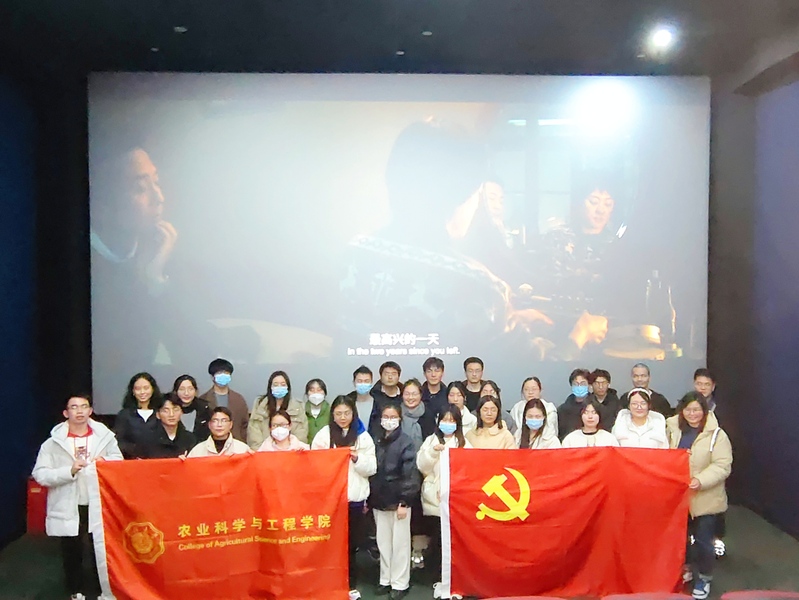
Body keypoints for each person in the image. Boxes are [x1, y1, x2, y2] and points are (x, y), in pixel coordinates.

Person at [32, 394, 123, 600]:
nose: (79, 411)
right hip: (68, 503)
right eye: (74, 407)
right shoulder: (53, 443)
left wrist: (104, 462)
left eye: (84, 406)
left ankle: (102, 590)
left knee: (100, 547)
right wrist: (69, 471)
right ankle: (75, 590)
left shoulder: (105, 437)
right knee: (71, 549)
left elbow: (119, 461)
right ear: (66, 413)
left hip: (98, 502)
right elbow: (40, 474)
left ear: (90, 411)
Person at [666, 392, 732, 600]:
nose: (692, 414)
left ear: (704, 410)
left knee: (704, 542)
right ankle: (685, 568)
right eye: (688, 409)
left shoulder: (717, 435)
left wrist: (700, 480)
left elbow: (722, 465)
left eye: (696, 409)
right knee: (680, 539)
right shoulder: (671, 429)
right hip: (679, 497)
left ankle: (704, 577)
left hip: (706, 499)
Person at [311, 396, 377, 600]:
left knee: (351, 544)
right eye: (338, 413)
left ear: (353, 413)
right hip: (331, 501)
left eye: (346, 413)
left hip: (354, 500)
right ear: (332, 415)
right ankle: (328, 582)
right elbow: (315, 465)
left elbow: (372, 467)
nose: (342, 417)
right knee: (329, 544)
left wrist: (357, 458)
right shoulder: (324, 435)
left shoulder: (363, 436)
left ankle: (350, 584)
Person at [417, 406, 471, 599]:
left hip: (455, 500)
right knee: (436, 540)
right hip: (434, 499)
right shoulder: (431, 440)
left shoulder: (464, 443)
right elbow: (421, 466)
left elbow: (468, 472)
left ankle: (455, 579)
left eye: (452, 420)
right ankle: (437, 578)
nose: (448, 424)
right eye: (444, 420)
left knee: (455, 542)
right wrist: (433, 452)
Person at [369, 404, 421, 600]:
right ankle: (386, 579)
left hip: (399, 502)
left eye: (393, 417)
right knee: (383, 543)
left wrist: (404, 502)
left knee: (400, 545)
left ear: (400, 419)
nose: (388, 420)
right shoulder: (376, 440)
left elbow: (410, 475)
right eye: (385, 416)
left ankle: (400, 582)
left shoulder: (406, 442)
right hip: (379, 501)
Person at [399, 379, 437, 571]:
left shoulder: (428, 415)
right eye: (407, 393)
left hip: (424, 471)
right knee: (403, 514)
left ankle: (419, 552)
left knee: (421, 515)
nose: (411, 397)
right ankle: (402, 555)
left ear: (421, 395)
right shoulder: (395, 414)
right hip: (401, 473)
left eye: (414, 393)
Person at [248, 371, 308, 450]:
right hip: (264, 451)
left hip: (291, 451)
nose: (279, 387)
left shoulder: (298, 406)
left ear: (288, 387)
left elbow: (301, 432)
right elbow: (254, 431)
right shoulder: (260, 404)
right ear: (270, 387)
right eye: (275, 385)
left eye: (283, 384)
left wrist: (294, 449)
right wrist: (261, 451)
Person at [199, 358, 249, 442]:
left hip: (235, 443)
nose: (223, 375)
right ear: (212, 377)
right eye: (219, 373)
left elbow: (245, 424)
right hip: (210, 444)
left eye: (226, 373)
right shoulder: (203, 400)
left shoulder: (239, 399)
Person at [115, 372, 163, 459]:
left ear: (153, 389)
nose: (142, 392)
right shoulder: (125, 414)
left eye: (146, 388)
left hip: (158, 461)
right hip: (132, 462)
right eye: (138, 389)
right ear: (133, 391)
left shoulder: (162, 412)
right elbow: (119, 441)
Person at [509, 377, 559, 442]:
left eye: (534, 389)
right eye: (526, 389)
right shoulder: (516, 408)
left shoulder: (549, 409)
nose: (530, 392)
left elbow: (552, 431)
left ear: (540, 390)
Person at [368, 362, 404, 437]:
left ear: (398, 377)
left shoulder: (405, 395)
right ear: (381, 376)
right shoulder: (373, 396)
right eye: (386, 374)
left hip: (401, 437)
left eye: (393, 374)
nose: (390, 377)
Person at [172, 374, 211, 441]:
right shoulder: (170, 409)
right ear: (175, 391)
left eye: (190, 389)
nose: (186, 393)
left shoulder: (204, 408)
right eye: (182, 389)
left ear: (195, 391)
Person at [557, 368, 592, 440]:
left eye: (583, 384)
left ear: (589, 385)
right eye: (576, 384)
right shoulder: (562, 410)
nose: (579, 387)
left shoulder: (596, 407)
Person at [347, 365, 376, 429]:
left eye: (366, 381)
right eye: (359, 381)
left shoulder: (378, 402)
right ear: (354, 382)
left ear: (371, 382)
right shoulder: (347, 402)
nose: (363, 384)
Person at [304, 378, 331, 444]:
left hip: (327, 447)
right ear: (307, 393)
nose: (315, 393)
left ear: (325, 393)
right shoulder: (301, 410)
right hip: (306, 447)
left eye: (319, 390)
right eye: (312, 390)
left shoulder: (331, 410)